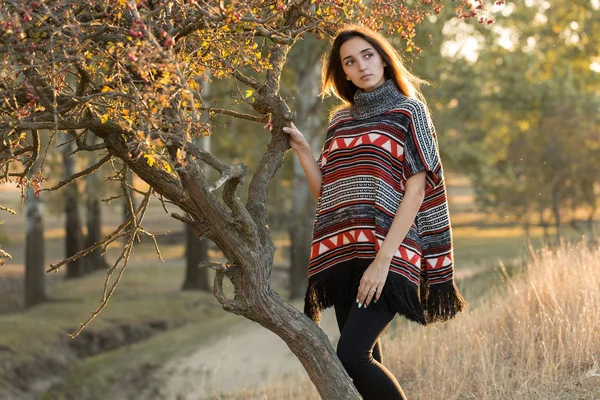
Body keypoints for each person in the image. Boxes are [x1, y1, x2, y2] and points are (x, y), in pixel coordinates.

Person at [267, 24, 467, 399]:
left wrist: (384, 260)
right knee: (366, 354)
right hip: (347, 253)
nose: (362, 66)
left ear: (383, 58)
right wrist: (303, 149)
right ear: (343, 72)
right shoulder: (340, 122)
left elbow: (418, 188)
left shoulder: (409, 112)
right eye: (350, 61)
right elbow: (328, 194)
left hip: (389, 253)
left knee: (351, 356)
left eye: (368, 55)